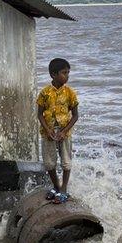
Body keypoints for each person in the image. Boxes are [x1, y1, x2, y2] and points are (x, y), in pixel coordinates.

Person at [37, 58, 79, 204]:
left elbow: (75, 115)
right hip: (48, 133)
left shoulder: (70, 93)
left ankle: (64, 189)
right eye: (64, 73)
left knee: (66, 161)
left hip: (64, 132)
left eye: (68, 72)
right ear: (53, 75)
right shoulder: (44, 93)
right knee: (49, 163)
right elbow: (39, 114)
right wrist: (47, 130)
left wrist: (64, 131)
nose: (67, 76)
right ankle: (56, 186)